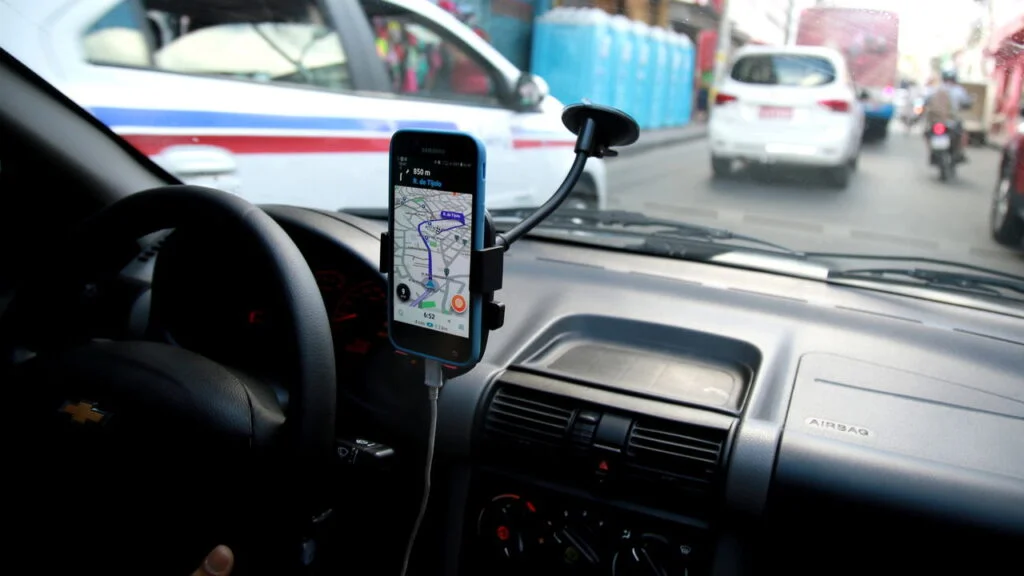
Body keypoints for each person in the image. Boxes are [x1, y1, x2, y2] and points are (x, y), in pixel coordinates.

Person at [924, 68, 972, 161]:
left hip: (936, 120)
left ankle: (931, 153)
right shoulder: (959, 90)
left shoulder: (935, 89)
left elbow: (926, 101)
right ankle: (960, 153)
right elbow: (966, 102)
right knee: (963, 134)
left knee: (927, 134)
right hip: (952, 121)